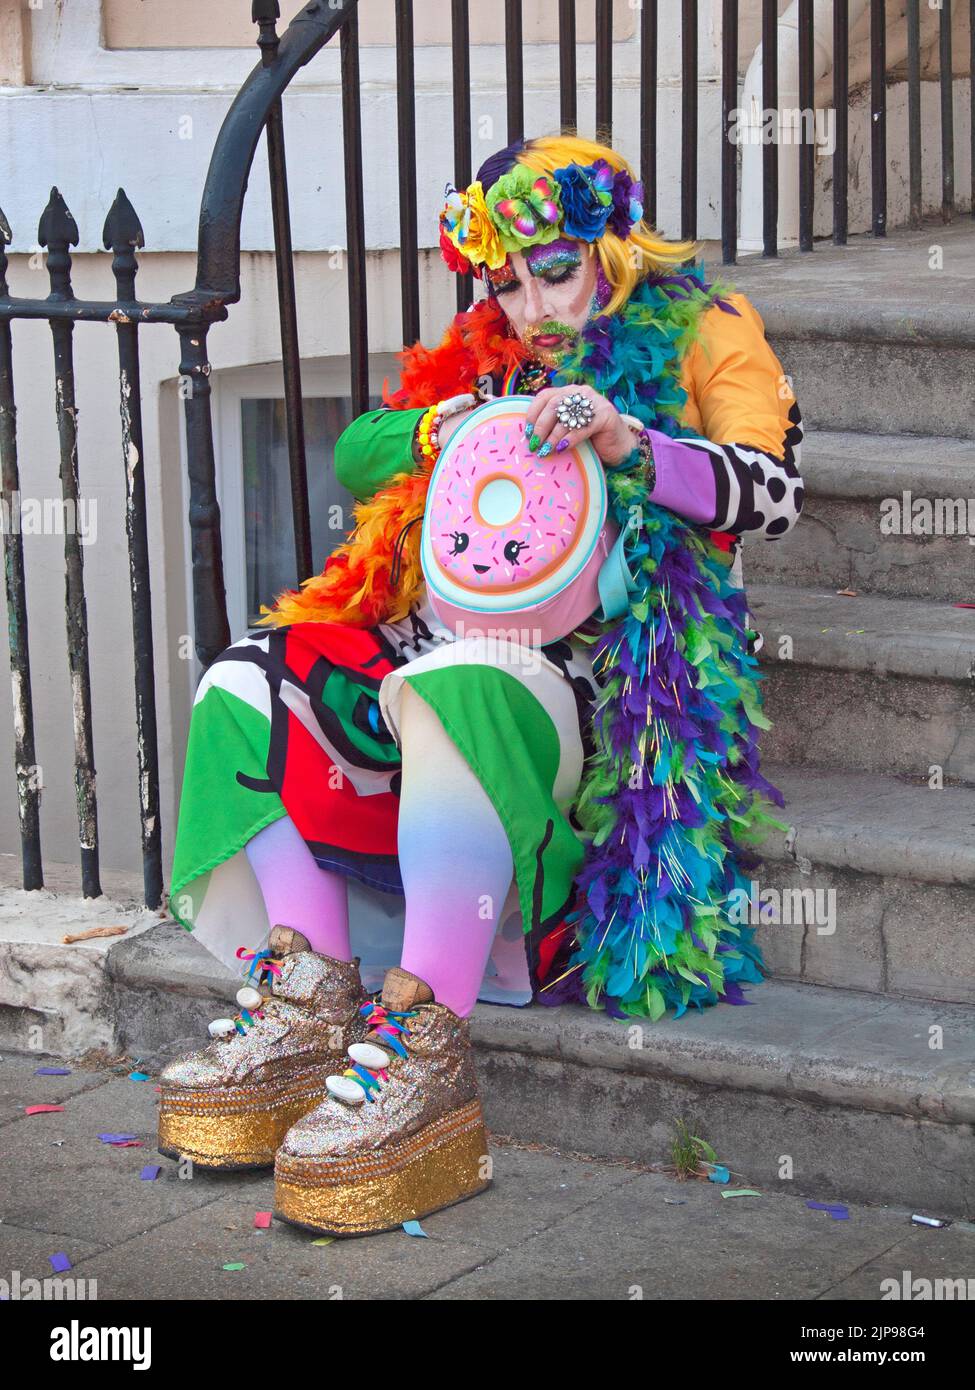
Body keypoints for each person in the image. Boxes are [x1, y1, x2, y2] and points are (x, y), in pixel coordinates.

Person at [159, 133, 803, 1235]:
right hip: (437, 638)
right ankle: (309, 1001)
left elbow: (775, 491)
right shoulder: (487, 351)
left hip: (601, 687)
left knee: (463, 678)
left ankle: (426, 1055)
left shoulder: (706, 326)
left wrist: (629, 440)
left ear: (612, 249)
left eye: (553, 270)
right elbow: (362, 454)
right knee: (246, 678)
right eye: (505, 283)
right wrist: (430, 426)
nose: (533, 307)